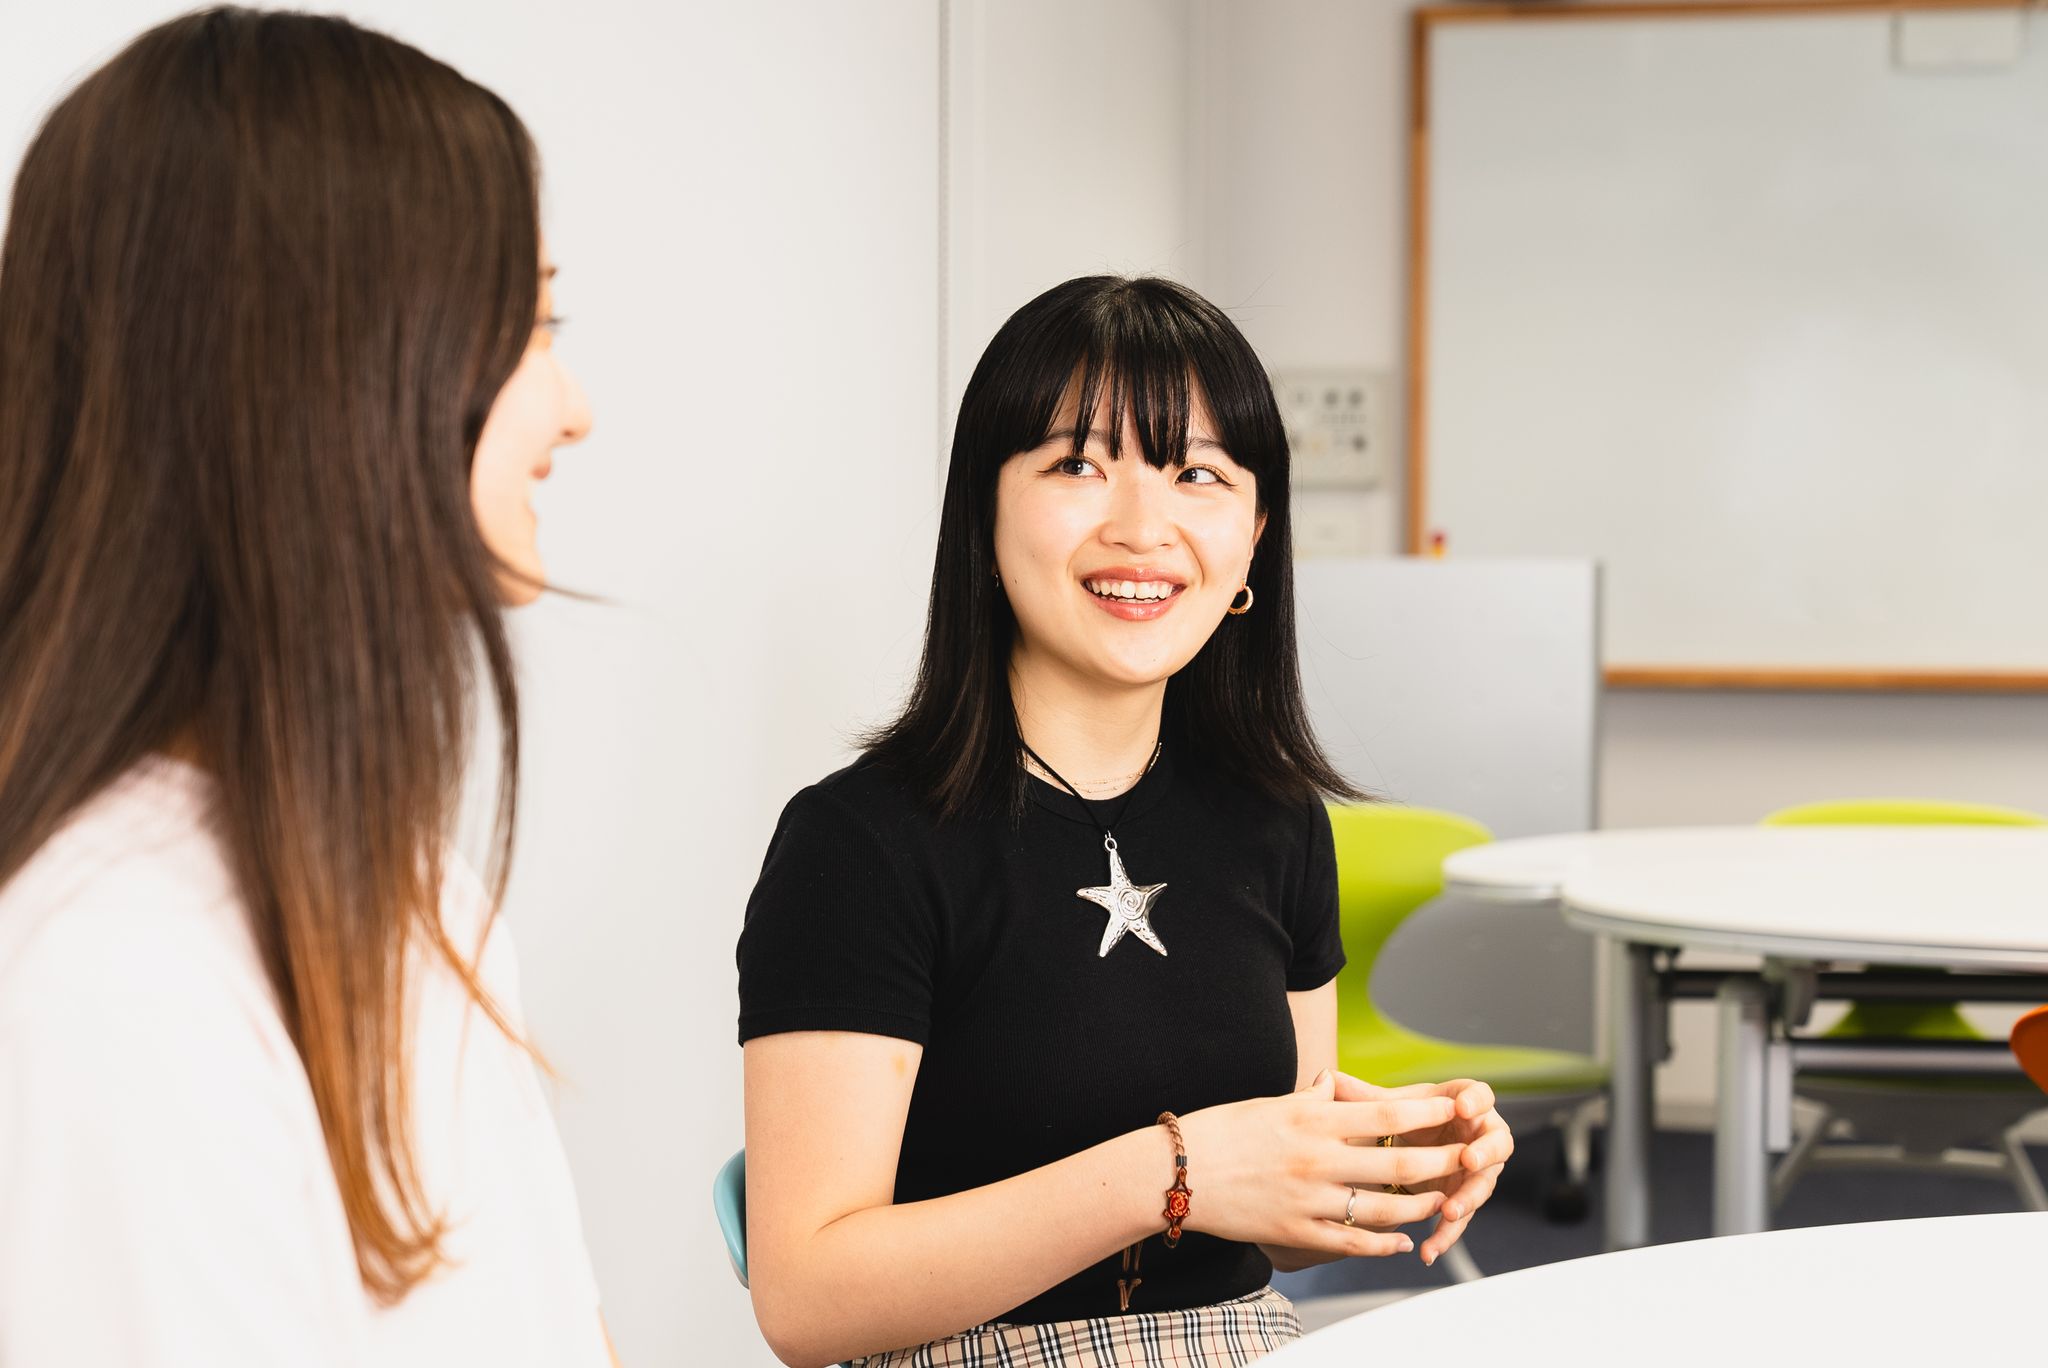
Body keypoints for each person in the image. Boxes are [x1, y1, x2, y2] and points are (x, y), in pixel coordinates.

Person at [736, 275, 1514, 1367]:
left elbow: (1278, 1237)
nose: (1141, 527)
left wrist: (1390, 1153)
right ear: (983, 511)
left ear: (1252, 538)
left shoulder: (1275, 818)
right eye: (1074, 465)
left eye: (1197, 473)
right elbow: (808, 1301)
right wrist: (1175, 1170)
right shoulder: (857, 846)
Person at [0, 10, 607, 1365]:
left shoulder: (414, 895)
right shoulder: (111, 976)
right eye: (533, 323)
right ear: (336, 366)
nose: (573, 406)